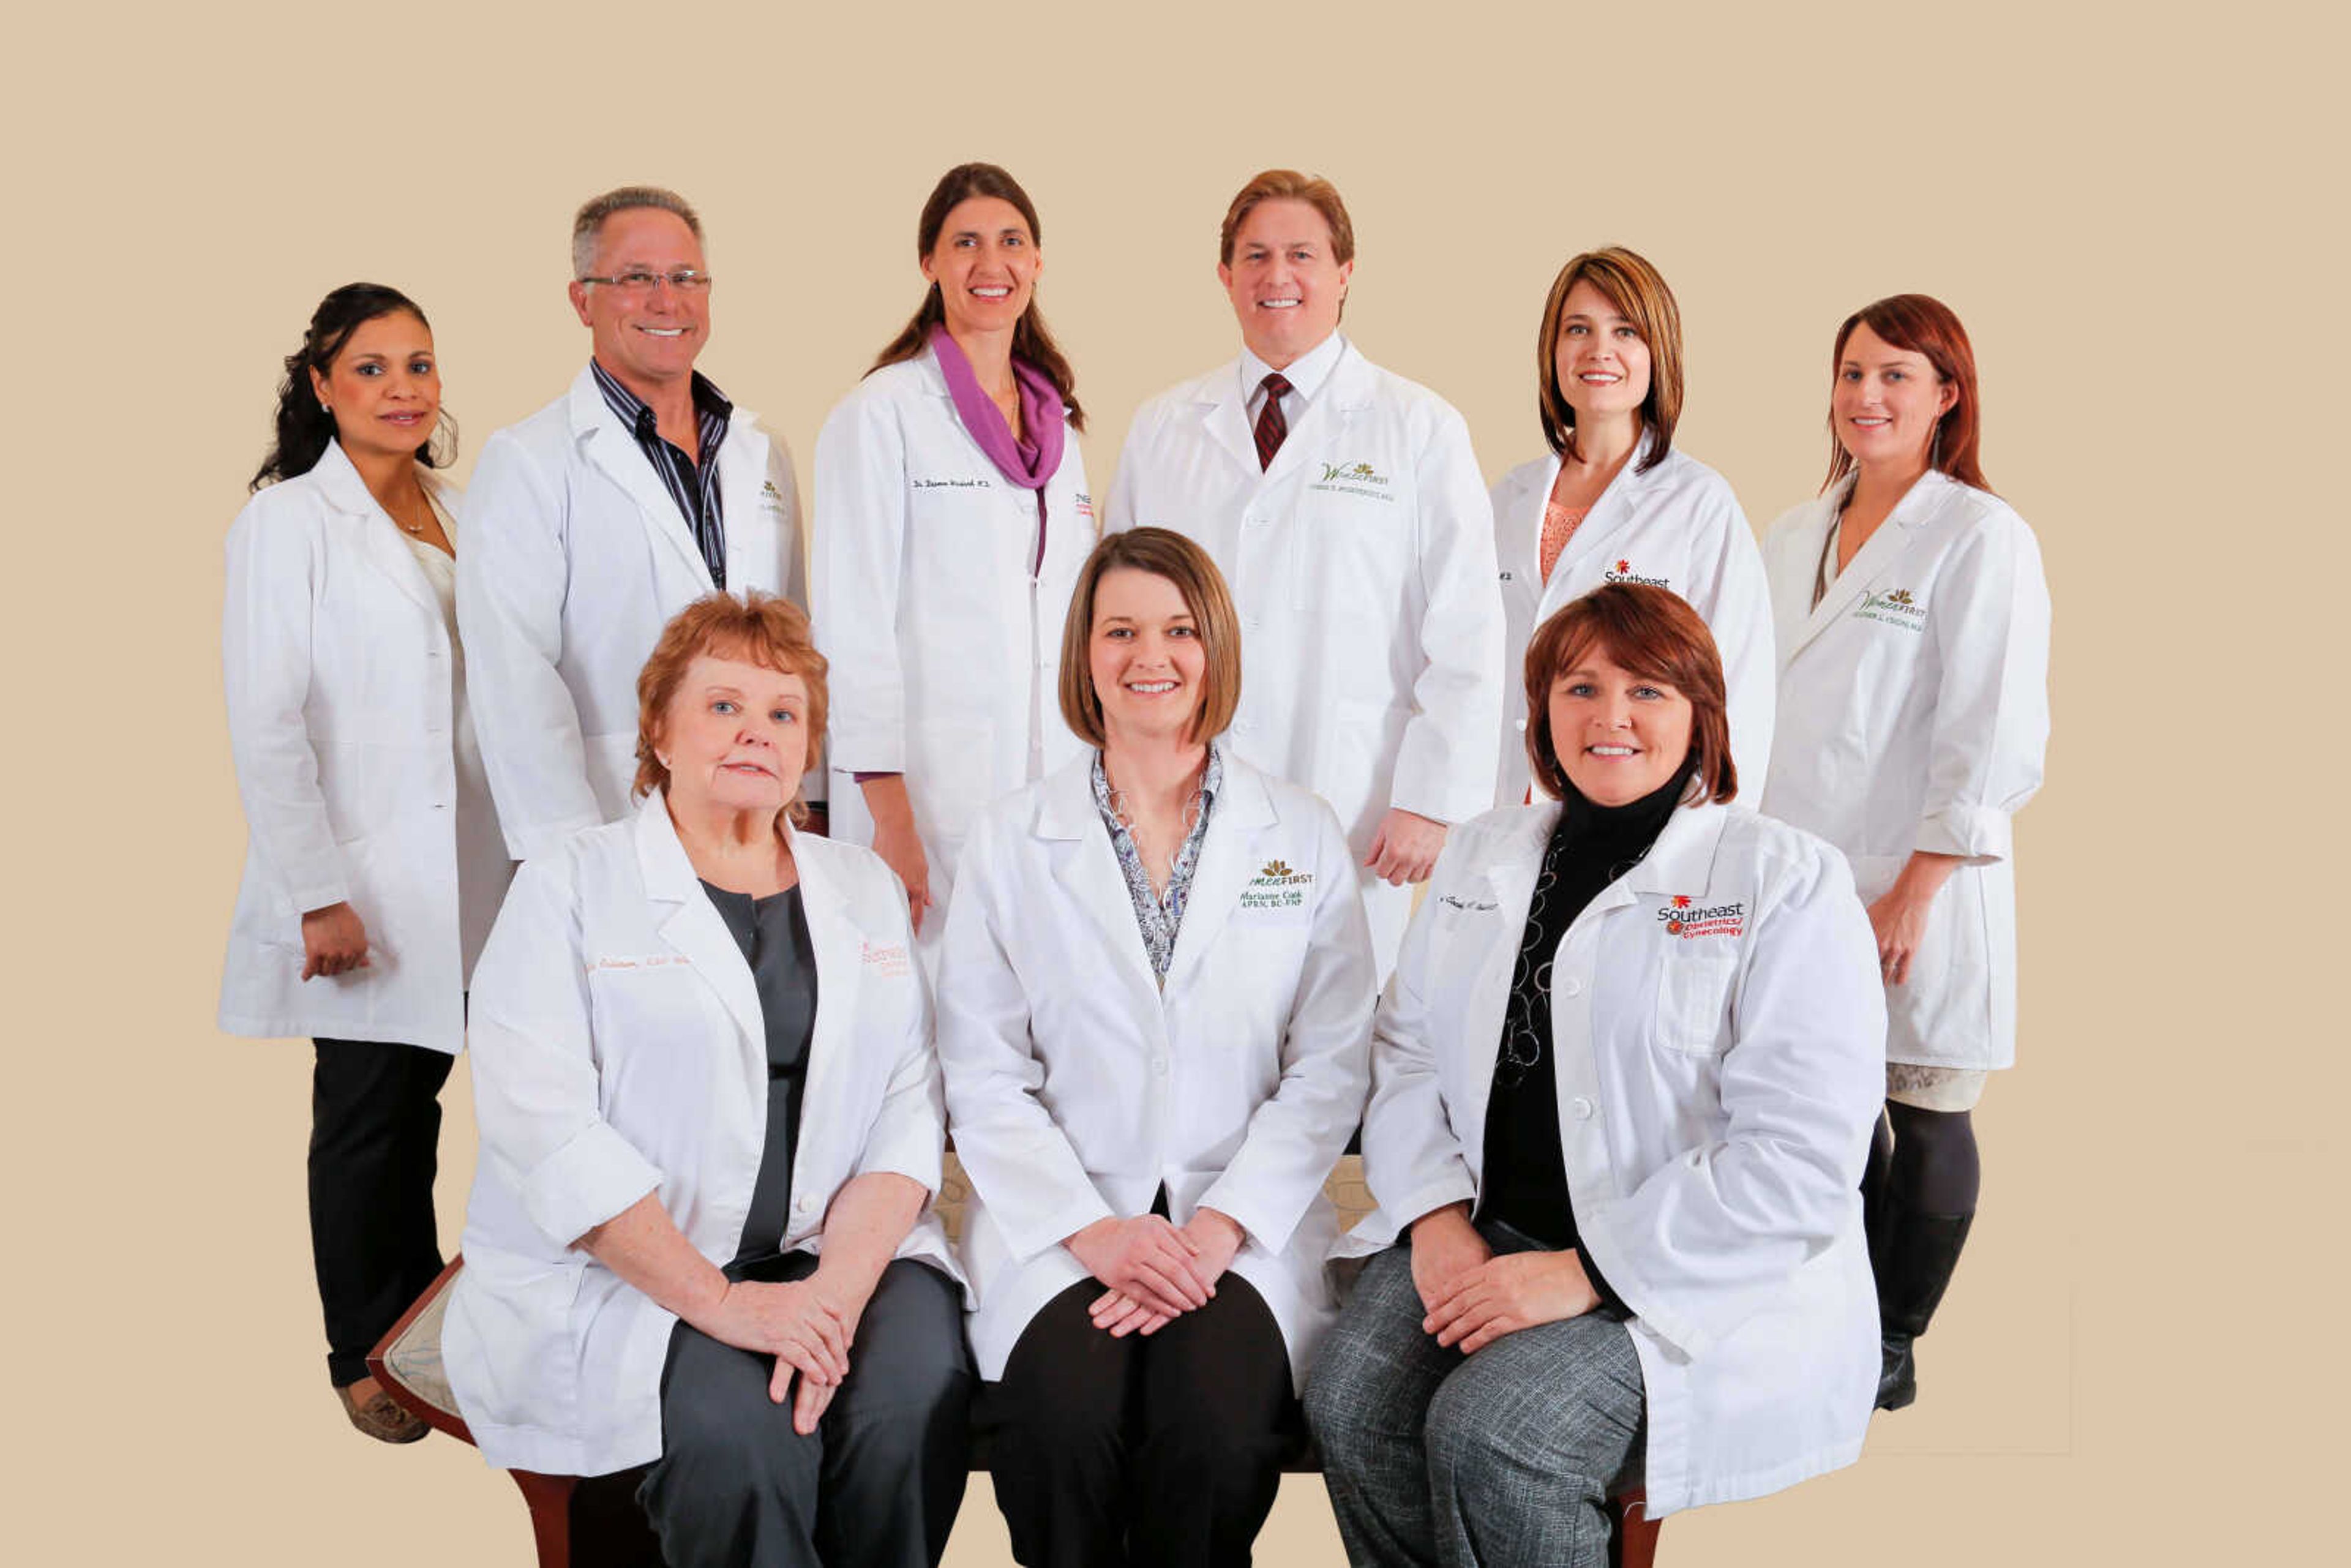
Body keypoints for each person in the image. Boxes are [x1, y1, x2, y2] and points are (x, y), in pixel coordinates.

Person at [1307, 584, 1886, 1564]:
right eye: (1579, 687)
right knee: (1350, 1406)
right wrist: (1437, 1221)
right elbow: (1404, 1049)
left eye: (1648, 691)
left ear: (1702, 715)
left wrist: (1587, 1273)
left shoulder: (1783, 880)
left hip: (1685, 1268)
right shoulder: (1482, 853)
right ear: (1542, 715)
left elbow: (1799, 1157)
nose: (1609, 716)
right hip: (1485, 1225)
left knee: (1497, 1436)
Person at [443, 593, 968, 1567]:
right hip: (643, 1271)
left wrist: (834, 1300)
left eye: (783, 714)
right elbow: (546, 1128)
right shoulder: (571, 883)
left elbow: (907, 1104)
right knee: (744, 1442)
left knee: (909, 1399)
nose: (756, 734)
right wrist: (725, 1304)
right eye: (723, 705)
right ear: (659, 727)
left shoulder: (857, 885)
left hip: (838, 1251)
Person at [937, 528, 1375, 1567]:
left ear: (1215, 648)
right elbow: (984, 1074)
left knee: (1215, 1436)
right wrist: (1097, 1235)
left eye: (1180, 630)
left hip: (1240, 1223)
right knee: (1057, 1432)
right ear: (1083, 656)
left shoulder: (1299, 833)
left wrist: (1221, 1227)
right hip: (1065, 1222)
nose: (1152, 656)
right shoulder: (1009, 838)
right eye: (1121, 629)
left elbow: (1334, 1061)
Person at [219, 283, 512, 1442]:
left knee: (448, 1108)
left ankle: (431, 1331)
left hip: (485, 864)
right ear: (322, 386)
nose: (403, 389)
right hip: (371, 877)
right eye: (375, 368)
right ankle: (365, 1357)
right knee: (373, 1115)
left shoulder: (470, 511)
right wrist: (318, 893)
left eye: (420, 366)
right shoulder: (288, 524)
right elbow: (266, 721)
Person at [1758, 294, 2051, 1410]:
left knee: (1925, 1101)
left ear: (1947, 396)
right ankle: (1833, 1309)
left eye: (1895, 376)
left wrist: (1918, 891)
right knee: (1823, 1098)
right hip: (1795, 870)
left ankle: (1892, 1337)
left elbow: (1993, 731)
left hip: (1915, 873)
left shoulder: (1982, 536)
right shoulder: (1794, 531)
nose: (1866, 397)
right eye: (1850, 374)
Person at [1106, 168, 1502, 977]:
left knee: (1341, 1036)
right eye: (1254, 256)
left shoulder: (1419, 428)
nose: (1276, 277)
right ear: (1225, 276)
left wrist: (1432, 797)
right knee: (1191, 1020)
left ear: (1345, 273)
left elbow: (1466, 627)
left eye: (1301, 255)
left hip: (1350, 797)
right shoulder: (1164, 427)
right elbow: (1109, 621)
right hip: (1177, 791)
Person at [458, 185, 813, 864]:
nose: (666, 300)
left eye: (685, 278)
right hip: (611, 818)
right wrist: (569, 852)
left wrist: (808, 799)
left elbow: (795, 642)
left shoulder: (760, 449)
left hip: (759, 824)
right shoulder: (528, 461)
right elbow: (513, 675)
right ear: (581, 299)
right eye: (636, 279)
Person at [813, 162, 1094, 958]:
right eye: (964, 242)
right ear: (929, 262)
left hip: (1052, 790)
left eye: (1011, 242)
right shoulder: (881, 415)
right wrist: (890, 818)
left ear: (1037, 262)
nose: (989, 263)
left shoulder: (1061, 431)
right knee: (924, 1018)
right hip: (924, 794)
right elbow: (851, 622)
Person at [1487, 245, 1774, 806]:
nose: (1599, 351)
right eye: (1578, 329)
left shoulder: (1698, 503)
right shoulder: (1506, 500)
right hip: (1502, 810)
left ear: (1657, 353)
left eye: (1625, 332)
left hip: (1638, 819)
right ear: (1552, 350)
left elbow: (1740, 691)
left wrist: (1698, 836)